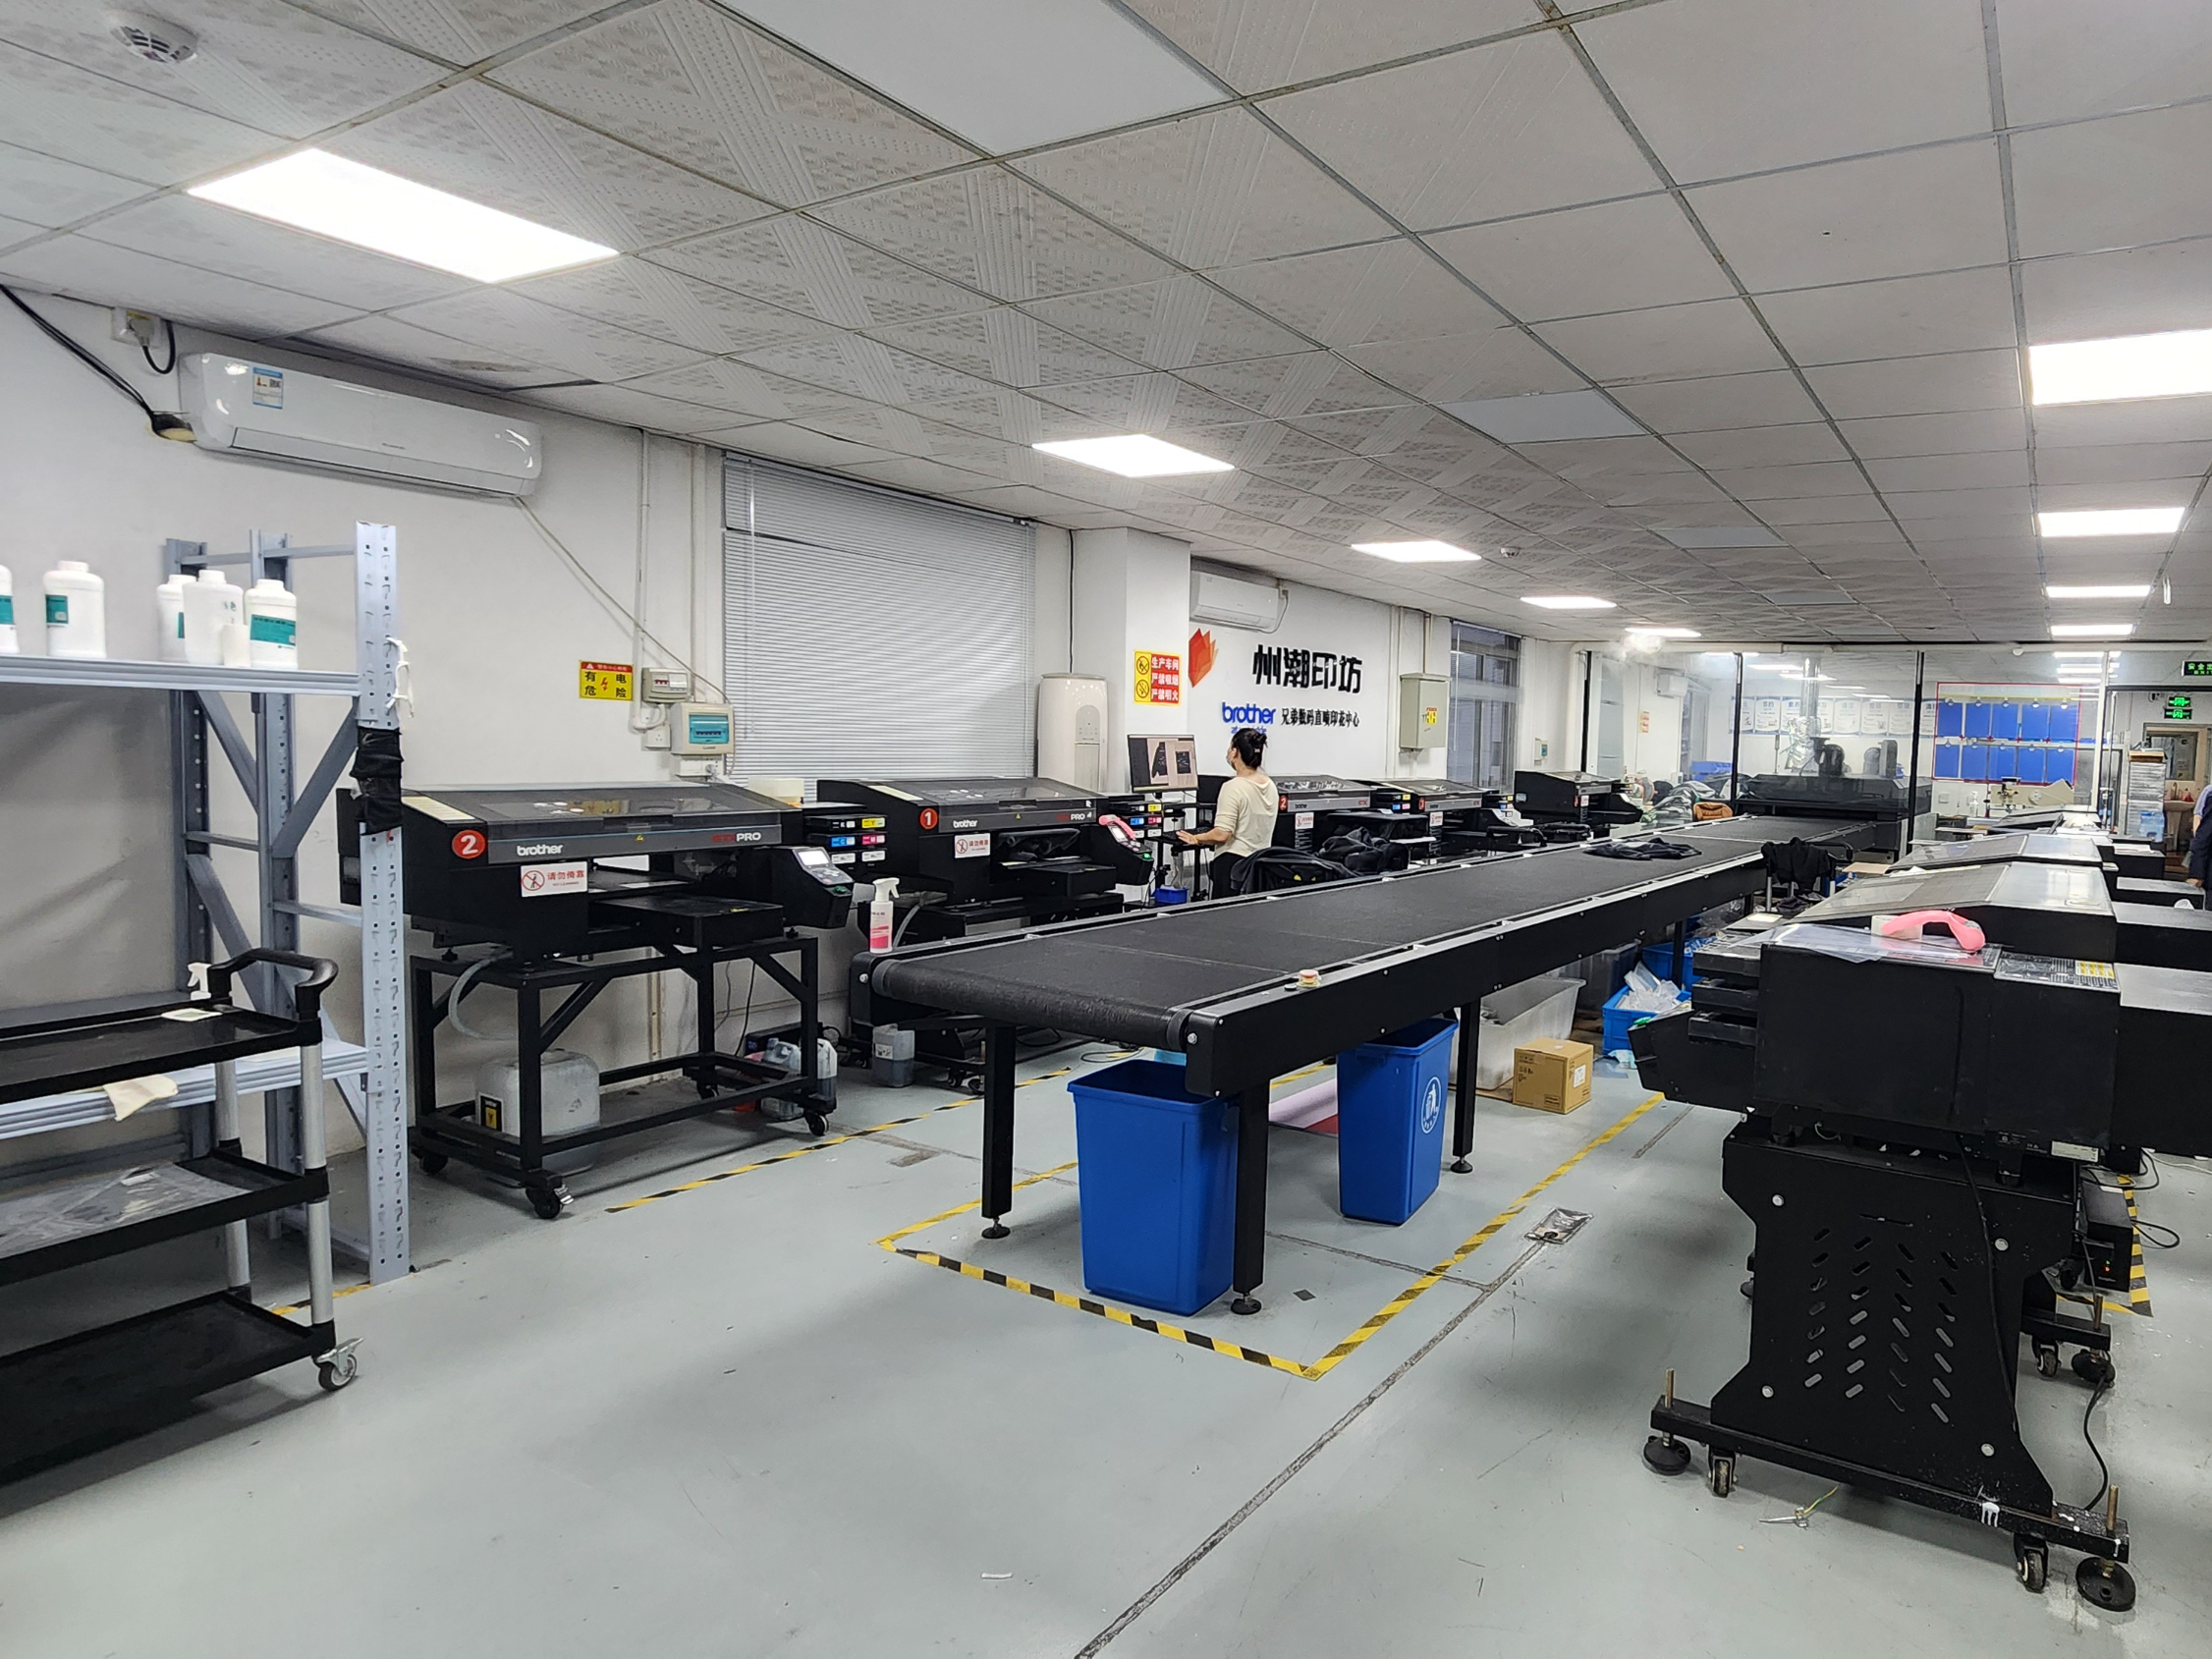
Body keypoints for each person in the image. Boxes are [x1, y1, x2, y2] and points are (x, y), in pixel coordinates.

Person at [1178, 727, 1279, 898]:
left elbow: (1222, 834)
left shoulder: (1233, 787)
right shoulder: (1270, 785)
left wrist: (1196, 838)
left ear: (1235, 752)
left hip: (1233, 867)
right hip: (1259, 866)